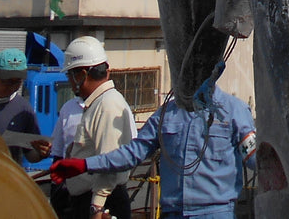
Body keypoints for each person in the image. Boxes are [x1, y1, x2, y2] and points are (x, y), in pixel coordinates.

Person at [49, 78, 256, 219]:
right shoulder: (167, 114)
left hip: (215, 212)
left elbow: (255, 157)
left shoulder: (233, 111)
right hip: (173, 212)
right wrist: (85, 164)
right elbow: (133, 153)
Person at [54, 36, 136, 219]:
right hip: (91, 200)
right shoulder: (99, 103)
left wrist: (96, 207)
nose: (69, 80)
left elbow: (111, 160)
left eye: (70, 75)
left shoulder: (107, 104)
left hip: (102, 203)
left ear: (81, 74)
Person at [48, 90, 86, 218]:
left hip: (99, 190)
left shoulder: (112, 105)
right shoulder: (69, 107)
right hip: (69, 190)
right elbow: (57, 151)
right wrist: (57, 188)